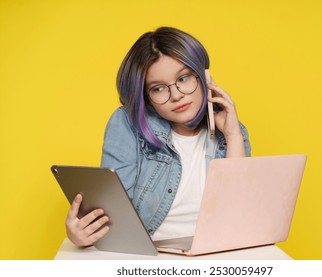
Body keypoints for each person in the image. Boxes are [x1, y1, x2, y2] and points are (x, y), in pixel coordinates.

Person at [65, 27, 251, 247]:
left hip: (217, 250)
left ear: (204, 76)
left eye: (183, 78)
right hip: (151, 253)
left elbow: (239, 217)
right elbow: (114, 215)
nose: (176, 95)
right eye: (158, 89)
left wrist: (233, 137)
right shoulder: (128, 123)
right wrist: (80, 234)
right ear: (147, 97)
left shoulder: (231, 130)